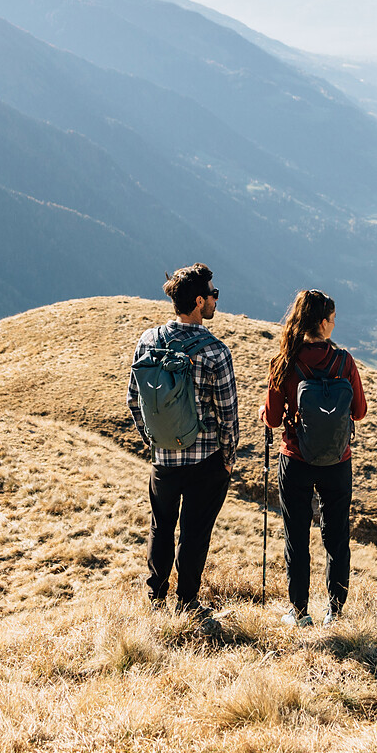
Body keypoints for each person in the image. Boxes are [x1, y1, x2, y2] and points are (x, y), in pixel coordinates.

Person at [127, 263, 239, 613]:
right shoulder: (215, 351)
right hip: (205, 461)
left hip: (163, 460)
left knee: (161, 528)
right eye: (212, 295)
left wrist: (152, 438)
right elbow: (228, 414)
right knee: (194, 533)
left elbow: (134, 398)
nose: (216, 300)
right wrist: (228, 456)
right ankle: (187, 604)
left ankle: (155, 599)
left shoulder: (149, 340)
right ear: (198, 301)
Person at [262, 288, 366, 627]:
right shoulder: (344, 362)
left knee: (297, 536)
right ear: (322, 323)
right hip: (338, 461)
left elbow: (274, 419)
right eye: (333, 320)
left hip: (296, 459)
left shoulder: (285, 362)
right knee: (336, 536)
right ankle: (334, 613)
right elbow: (360, 411)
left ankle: (299, 611)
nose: (334, 325)